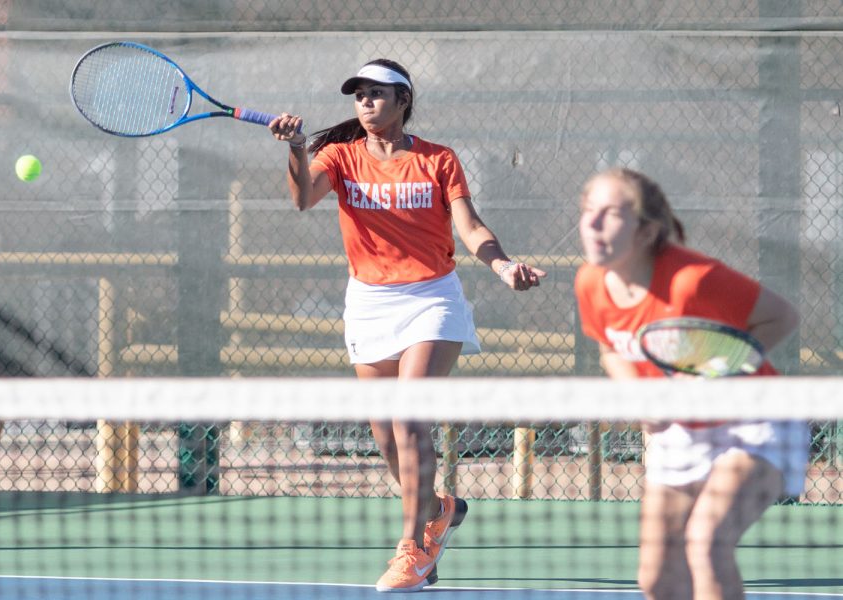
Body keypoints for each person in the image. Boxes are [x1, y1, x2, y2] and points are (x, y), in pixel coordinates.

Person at [269, 59, 545, 592]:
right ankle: (437, 508)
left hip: (431, 298)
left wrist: (503, 264)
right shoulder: (341, 156)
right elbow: (303, 198)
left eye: (378, 94)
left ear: (403, 102)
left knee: (408, 418)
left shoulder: (438, 159)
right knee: (387, 439)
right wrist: (294, 150)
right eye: (360, 95)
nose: (367, 103)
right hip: (369, 302)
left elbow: (468, 224)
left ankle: (413, 548)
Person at [574, 167, 810, 600]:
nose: (591, 223)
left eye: (610, 214)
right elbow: (609, 348)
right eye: (588, 210)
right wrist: (643, 399)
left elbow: (783, 316)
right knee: (657, 578)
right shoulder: (590, 282)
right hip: (682, 432)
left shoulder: (692, 279)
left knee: (706, 542)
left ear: (646, 232)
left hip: (756, 422)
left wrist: (711, 373)